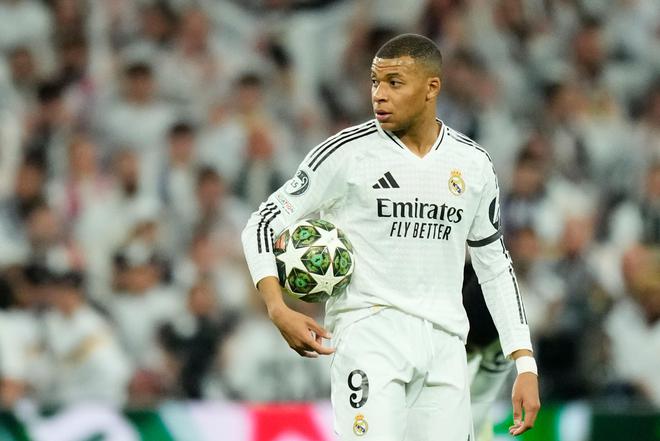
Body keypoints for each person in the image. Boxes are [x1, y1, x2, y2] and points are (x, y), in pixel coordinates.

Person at [241, 33, 539, 440]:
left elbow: (495, 267)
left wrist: (524, 362)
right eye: (374, 82)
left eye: (394, 83)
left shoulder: (472, 164)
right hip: (370, 336)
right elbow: (261, 223)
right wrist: (277, 307)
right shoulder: (346, 153)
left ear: (431, 87)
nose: (379, 94)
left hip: (446, 344)